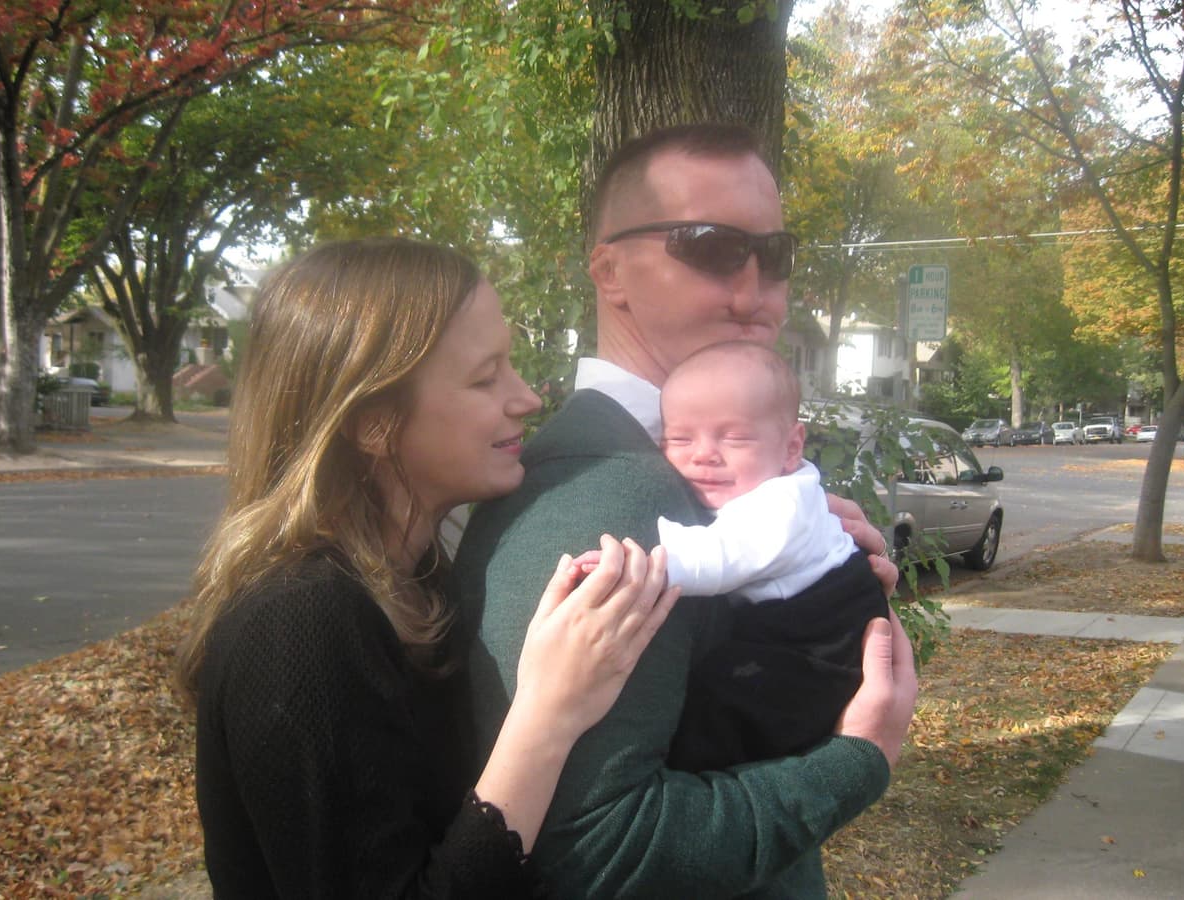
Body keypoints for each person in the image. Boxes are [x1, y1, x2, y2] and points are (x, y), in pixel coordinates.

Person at [453, 123, 917, 899]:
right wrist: (859, 758)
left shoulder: (700, 473)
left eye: (776, 256)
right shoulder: (614, 493)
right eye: (711, 247)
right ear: (609, 270)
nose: (755, 290)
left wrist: (820, 600)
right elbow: (600, 850)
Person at [172, 237, 679, 898]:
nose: (526, 398)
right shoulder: (302, 624)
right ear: (376, 422)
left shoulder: (417, 580)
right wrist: (548, 715)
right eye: (484, 375)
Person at [649, 339, 891, 771]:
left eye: (735, 437)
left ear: (792, 447)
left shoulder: (782, 505)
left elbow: (717, 559)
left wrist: (642, 560)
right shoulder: (767, 488)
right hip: (798, 631)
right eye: (679, 438)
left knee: (725, 710)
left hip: (821, 648)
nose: (704, 454)